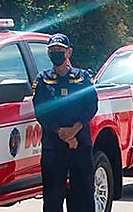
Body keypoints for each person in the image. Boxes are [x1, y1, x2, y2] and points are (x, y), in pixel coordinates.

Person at [32, 33, 98, 212]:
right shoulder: (43, 80)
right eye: (52, 50)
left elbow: (91, 106)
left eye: (60, 50)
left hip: (80, 144)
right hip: (54, 145)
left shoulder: (82, 77)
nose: (56, 53)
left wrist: (74, 131)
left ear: (69, 52)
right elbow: (41, 110)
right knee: (53, 196)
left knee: (82, 193)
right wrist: (63, 133)